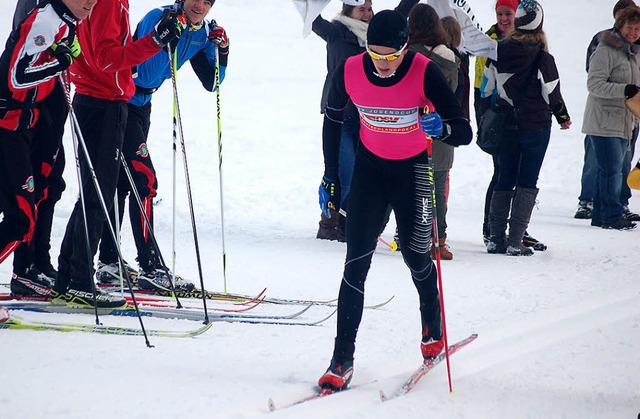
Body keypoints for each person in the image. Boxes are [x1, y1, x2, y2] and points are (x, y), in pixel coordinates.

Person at [316, 10, 472, 391]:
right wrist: (331, 175)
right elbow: (333, 120)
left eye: (391, 56)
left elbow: (464, 130)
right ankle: (341, 359)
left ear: (406, 47)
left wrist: (444, 128)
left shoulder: (425, 71)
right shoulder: (351, 70)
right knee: (355, 264)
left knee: (417, 256)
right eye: (375, 55)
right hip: (370, 172)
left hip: (413, 172)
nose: (383, 65)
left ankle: (431, 325)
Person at [53, 0, 186, 308]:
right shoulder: (111, 2)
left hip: (95, 97)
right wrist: (154, 41)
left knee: (94, 192)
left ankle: (68, 277)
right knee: (99, 193)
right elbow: (106, 59)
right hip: (103, 100)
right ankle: (80, 281)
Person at [94, 0, 229, 293]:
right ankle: (151, 266)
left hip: (142, 106)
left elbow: (213, 82)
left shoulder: (202, 33)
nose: (200, 5)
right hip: (119, 101)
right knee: (143, 180)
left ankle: (108, 263)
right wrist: (171, 34)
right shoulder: (159, 16)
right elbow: (139, 67)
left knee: (122, 182)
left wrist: (222, 50)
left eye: (207, 2)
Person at [312, 0, 418, 242]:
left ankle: (349, 225)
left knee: (366, 174)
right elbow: (311, 18)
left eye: (370, 9)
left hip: (368, 114)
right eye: (362, 10)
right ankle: (329, 223)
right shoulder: (336, 31)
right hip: (340, 114)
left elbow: (399, 14)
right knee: (343, 171)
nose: (368, 14)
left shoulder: (376, 34)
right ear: (349, 10)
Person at [0, 1, 88, 275]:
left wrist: (61, 58)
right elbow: (15, 78)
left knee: (22, 215)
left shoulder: (66, 22)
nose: (91, 3)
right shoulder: (45, 21)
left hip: (22, 128)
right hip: (7, 127)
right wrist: (57, 62)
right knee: (20, 220)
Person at [480, 0, 572, 255]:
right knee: (527, 180)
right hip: (535, 126)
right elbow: (553, 95)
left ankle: (495, 237)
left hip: (506, 125)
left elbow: (486, 89)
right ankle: (515, 240)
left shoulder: (497, 51)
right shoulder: (544, 58)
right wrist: (563, 117)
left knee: (505, 177)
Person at [7, 0, 70, 297]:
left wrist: (66, 55)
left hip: (43, 105)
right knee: (23, 204)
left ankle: (37, 262)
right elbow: (17, 71)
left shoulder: (67, 17)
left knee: (50, 184)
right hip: (21, 115)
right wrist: (57, 62)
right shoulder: (43, 15)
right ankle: (26, 266)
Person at [474, 0, 547, 252]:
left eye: (509, 14)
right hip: (504, 122)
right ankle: (495, 232)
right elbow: (481, 86)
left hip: (511, 121)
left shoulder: (524, 46)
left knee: (508, 175)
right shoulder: (491, 41)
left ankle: (510, 232)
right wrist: (485, 120)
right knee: (504, 174)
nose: (505, 18)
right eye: (500, 14)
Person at [574, 0, 640, 222]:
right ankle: (607, 213)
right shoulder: (605, 48)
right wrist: (625, 90)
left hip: (626, 120)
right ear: (619, 25)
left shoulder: (635, 52)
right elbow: (594, 84)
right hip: (604, 119)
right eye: (629, 27)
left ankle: (606, 214)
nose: (633, 32)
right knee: (608, 169)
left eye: (637, 28)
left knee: (618, 168)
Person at [407, 4, 460, 260]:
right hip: (442, 128)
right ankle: (438, 241)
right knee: (437, 188)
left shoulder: (407, 56)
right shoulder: (449, 58)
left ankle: (409, 234)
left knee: (410, 187)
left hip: (411, 130)